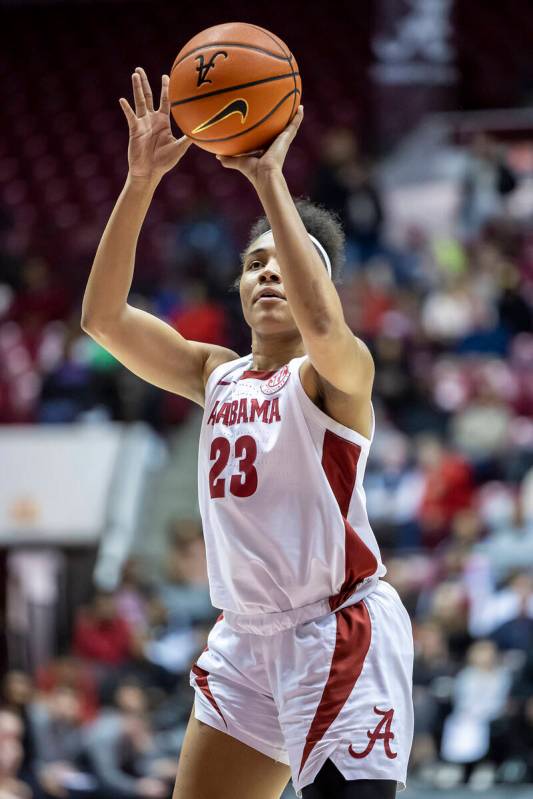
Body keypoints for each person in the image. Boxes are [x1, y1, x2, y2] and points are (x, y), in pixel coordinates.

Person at [81, 66, 414, 799]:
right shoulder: (216, 374)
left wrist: (268, 182)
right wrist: (140, 181)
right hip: (245, 638)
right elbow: (102, 318)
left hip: (338, 632)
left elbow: (323, 322)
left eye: (284, 266)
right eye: (252, 263)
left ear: (316, 285)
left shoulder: (336, 374)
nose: (267, 274)